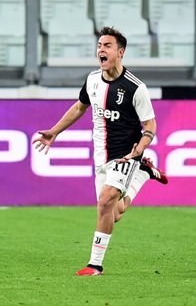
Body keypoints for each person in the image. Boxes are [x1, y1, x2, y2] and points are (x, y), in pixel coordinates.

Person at [32, 26, 168, 276]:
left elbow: (150, 125)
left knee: (105, 200)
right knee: (113, 212)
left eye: (107, 46)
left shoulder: (135, 88)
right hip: (101, 158)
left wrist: (138, 150)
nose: (101, 50)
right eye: (99, 46)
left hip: (127, 154)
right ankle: (144, 175)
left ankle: (95, 264)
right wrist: (55, 131)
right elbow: (79, 107)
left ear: (120, 52)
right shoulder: (93, 80)